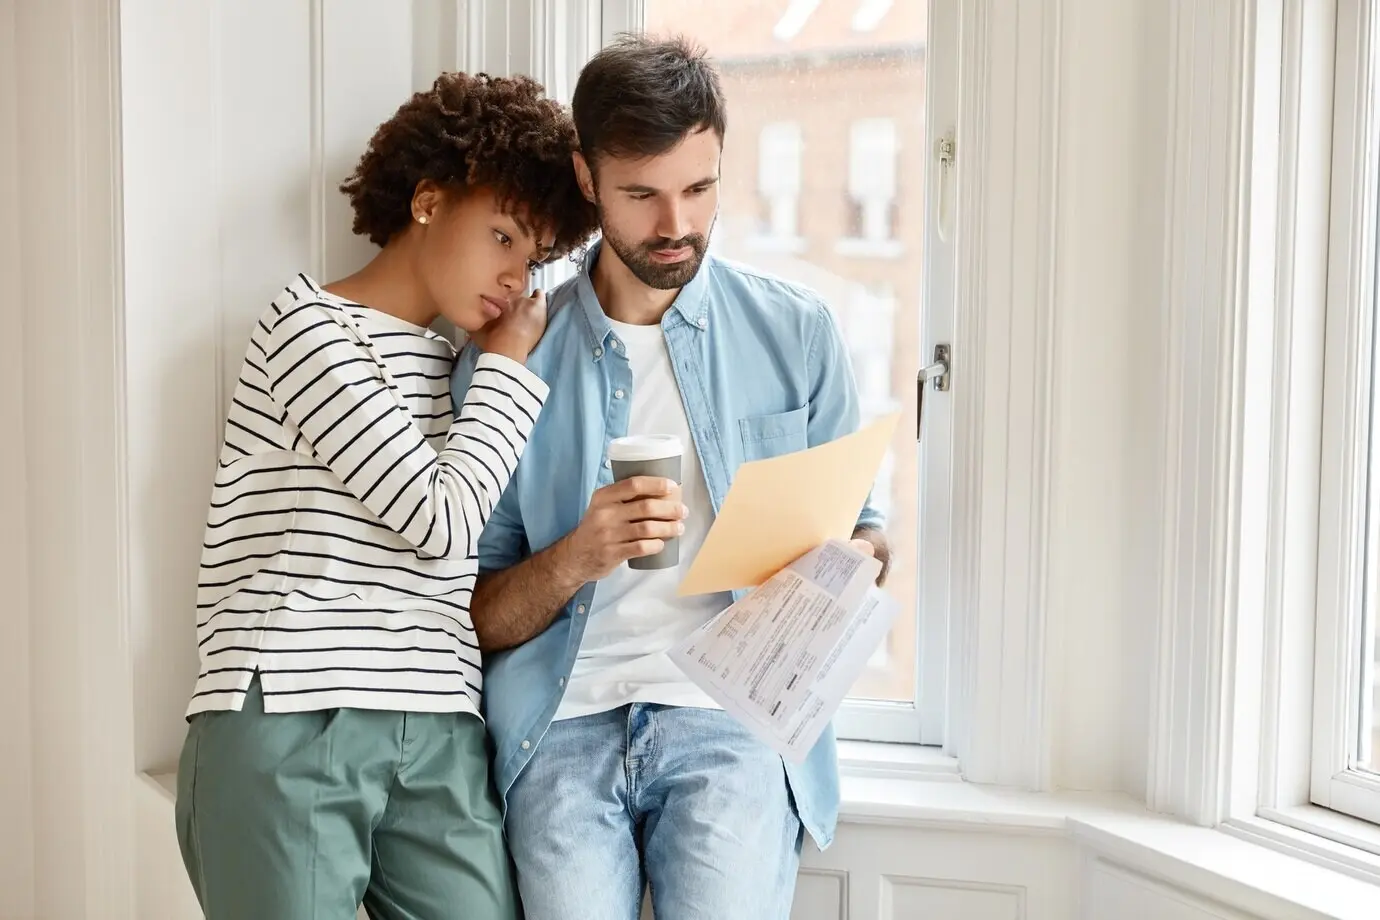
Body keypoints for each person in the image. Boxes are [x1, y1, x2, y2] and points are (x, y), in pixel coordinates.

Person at [453, 35, 890, 920]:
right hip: (563, 723)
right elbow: (476, 613)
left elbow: (874, 536)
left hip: (730, 719)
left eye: (700, 188)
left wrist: (846, 565)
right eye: (643, 195)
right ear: (586, 177)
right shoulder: (513, 359)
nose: (676, 226)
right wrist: (579, 555)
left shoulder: (796, 334)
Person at [174, 72, 598, 920]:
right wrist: (512, 370)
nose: (517, 279)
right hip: (293, 709)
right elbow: (440, 524)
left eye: (535, 257)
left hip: (439, 723)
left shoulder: (460, 377)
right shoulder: (306, 328)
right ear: (429, 200)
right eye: (504, 236)